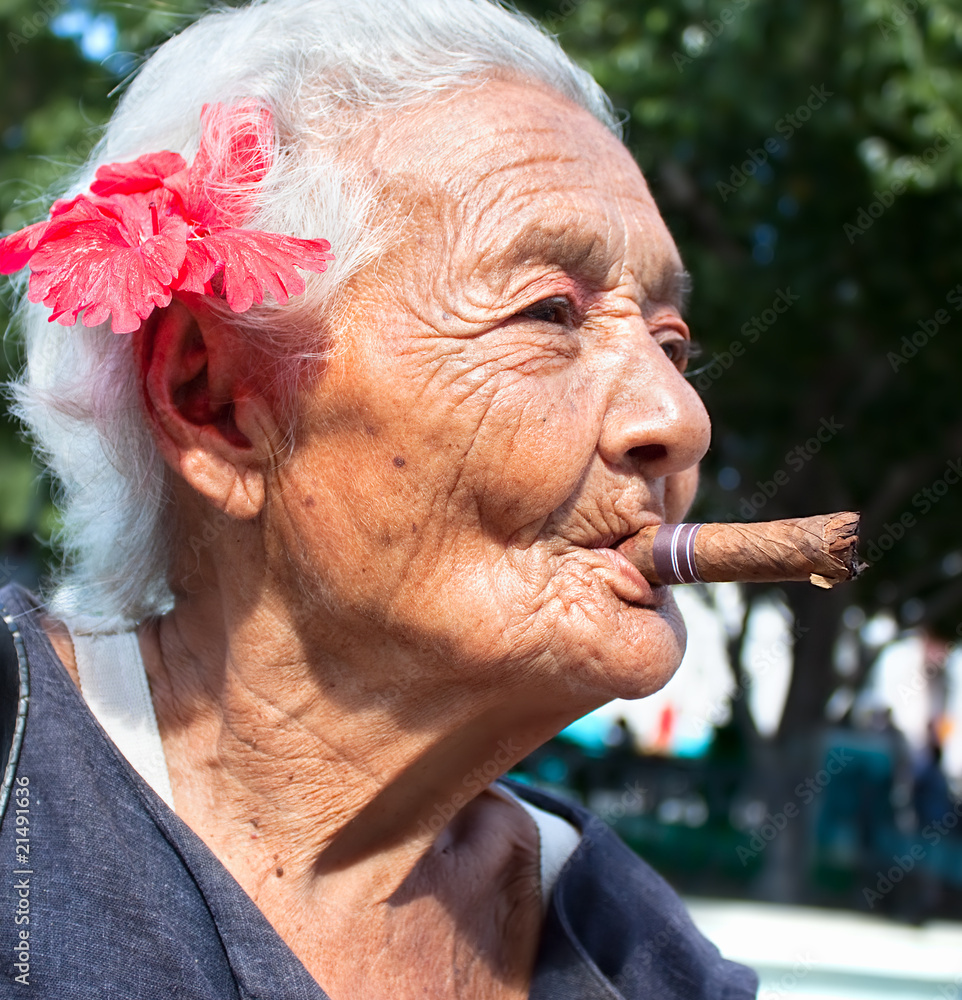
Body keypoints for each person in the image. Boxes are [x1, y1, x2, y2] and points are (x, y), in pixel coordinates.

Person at [0, 1, 758, 996]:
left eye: (669, 341)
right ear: (217, 399)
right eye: (549, 313)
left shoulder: (641, 961)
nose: (679, 418)